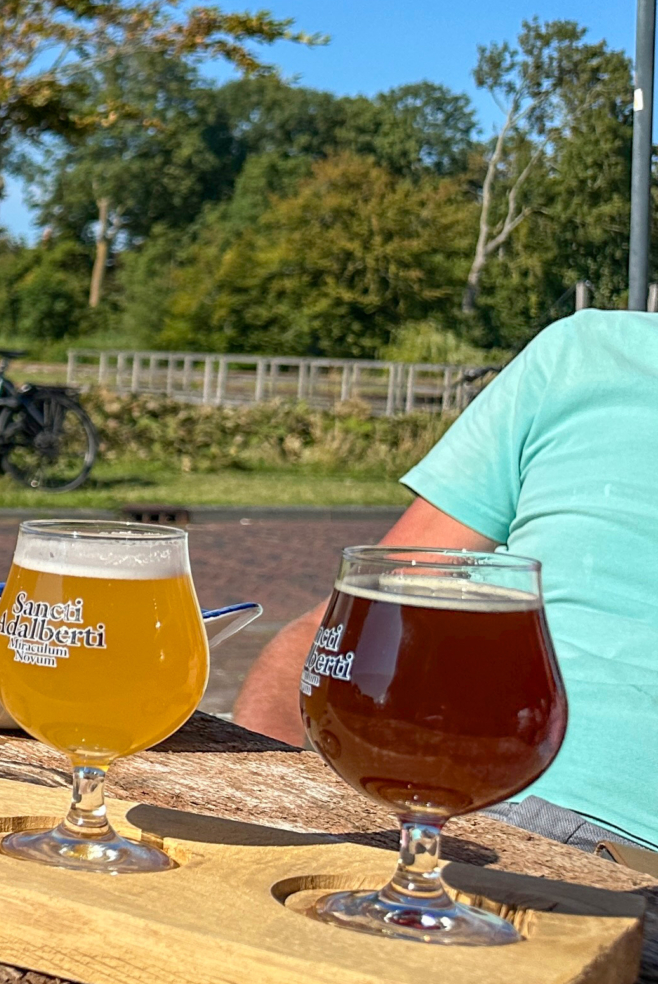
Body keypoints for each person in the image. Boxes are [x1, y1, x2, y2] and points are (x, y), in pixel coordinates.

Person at [232, 310, 658, 862]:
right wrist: (269, 809)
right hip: (429, 805)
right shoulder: (588, 354)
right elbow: (335, 631)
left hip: (624, 858)